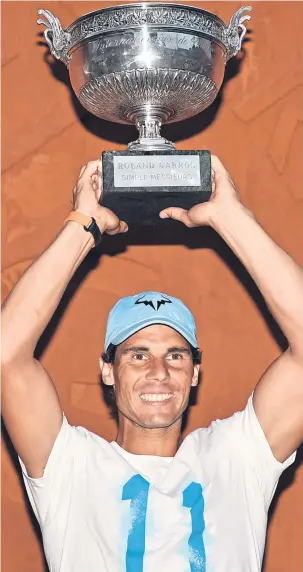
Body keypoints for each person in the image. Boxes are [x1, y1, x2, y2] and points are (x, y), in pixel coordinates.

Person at [2, 156, 303, 572]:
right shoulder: (71, 467)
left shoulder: (236, 459)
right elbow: (5, 356)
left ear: (195, 372)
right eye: (138, 354)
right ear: (108, 369)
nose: (158, 372)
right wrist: (83, 225)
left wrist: (231, 216)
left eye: (175, 356)